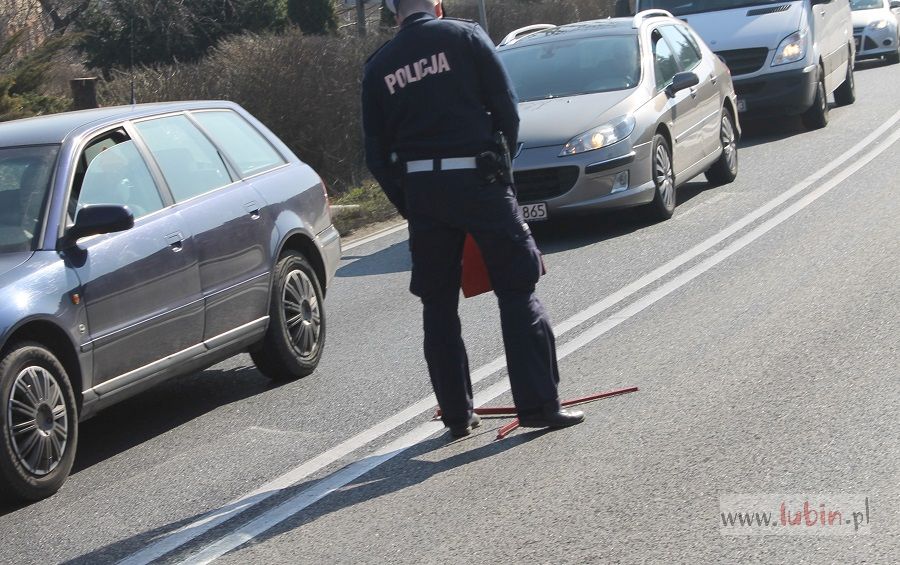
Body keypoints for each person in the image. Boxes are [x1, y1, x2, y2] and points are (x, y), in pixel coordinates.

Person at [362, 0, 584, 438]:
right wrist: (503, 169)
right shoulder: (464, 37)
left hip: (423, 191)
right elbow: (508, 109)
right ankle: (539, 406)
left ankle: (457, 416)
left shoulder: (379, 66)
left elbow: (375, 154)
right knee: (517, 290)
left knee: (438, 305)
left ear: (393, 13)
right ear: (438, 4)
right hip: (480, 182)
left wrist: (411, 202)